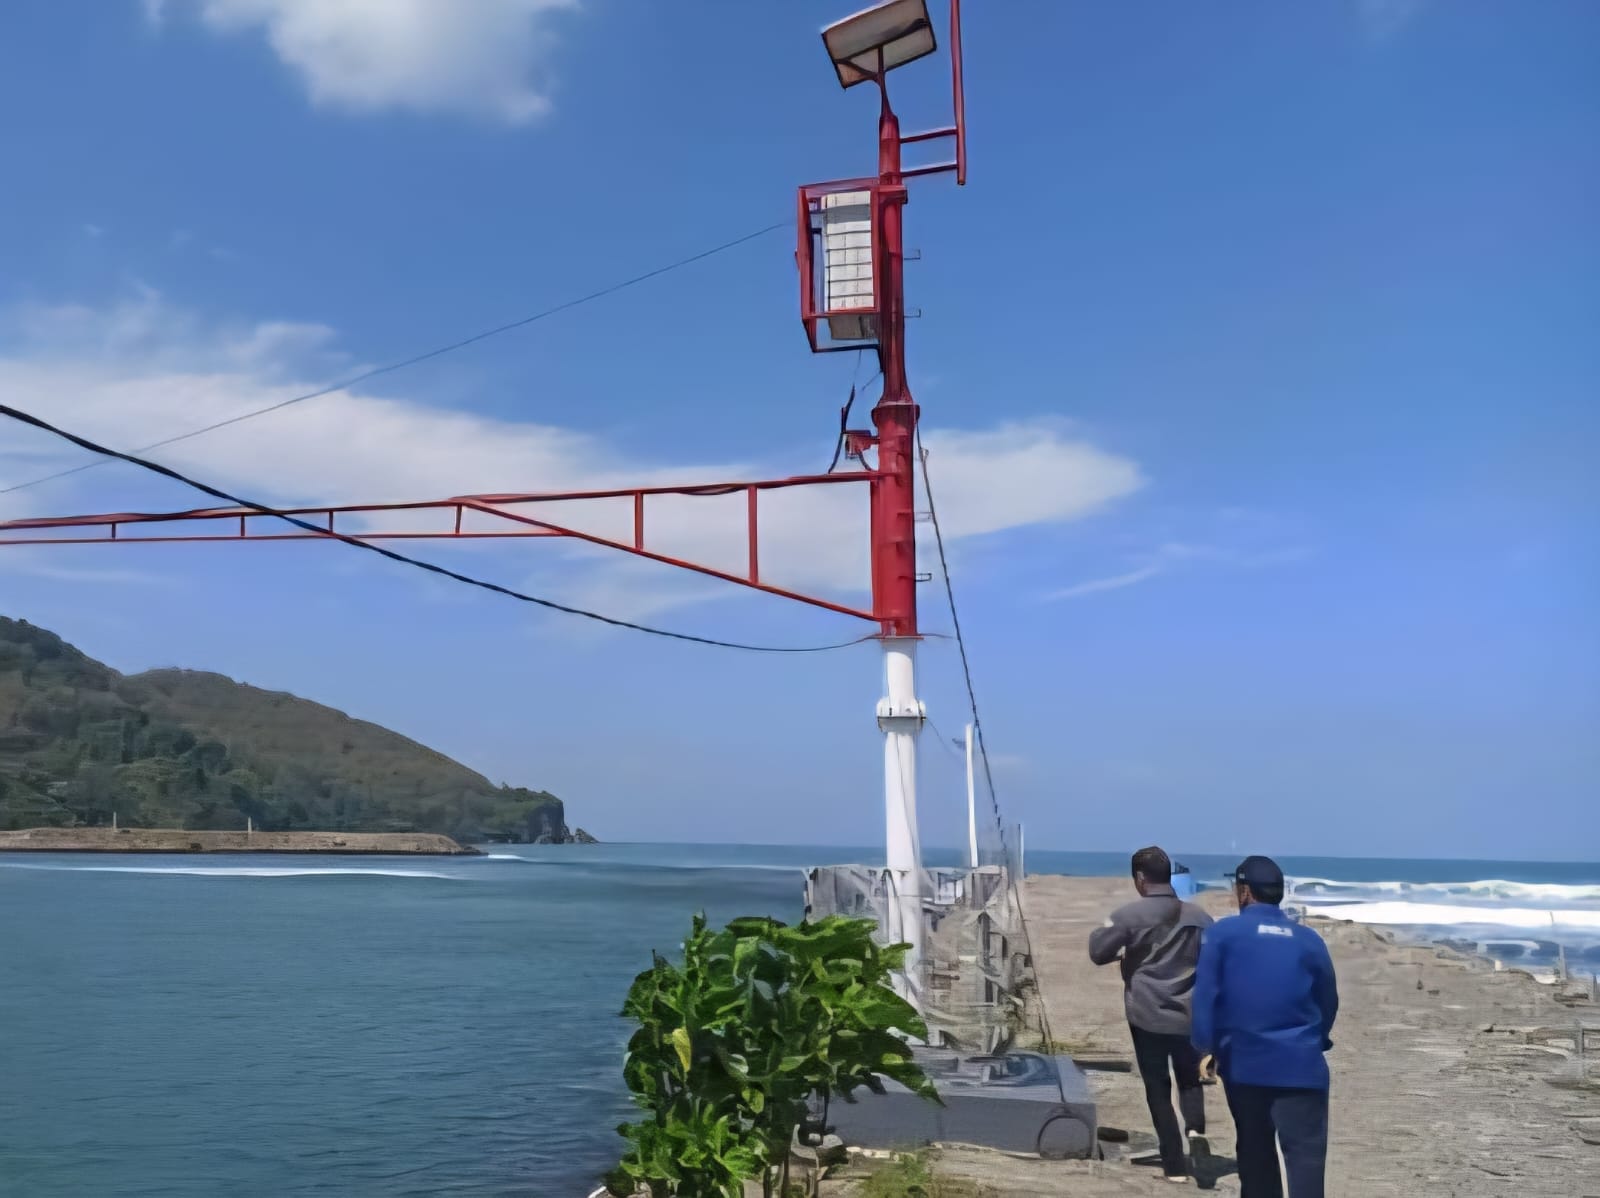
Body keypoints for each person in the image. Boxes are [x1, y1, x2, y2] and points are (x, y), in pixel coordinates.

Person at [1191, 855, 1339, 1198]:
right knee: (1306, 1165)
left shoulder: (1222, 934)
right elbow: (1328, 1001)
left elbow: (1205, 998)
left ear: (1244, 892)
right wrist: (1315, 1041)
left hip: (1245, 1066)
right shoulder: (1309, 940)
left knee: (1256, 1159)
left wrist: (1206, 1046)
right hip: (1303, 1067)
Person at [1089, 845, 1215, 1183]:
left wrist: (1112, 936)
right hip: (1188, 1012)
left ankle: (1174, 1165)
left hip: (1147, 1014)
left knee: (1157, 1086)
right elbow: (1213, 962)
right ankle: (1195, 1131)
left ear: (1140, 879)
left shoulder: (1129, 915)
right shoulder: (1200, 917)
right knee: (1189, 1079)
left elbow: (1098, 952)